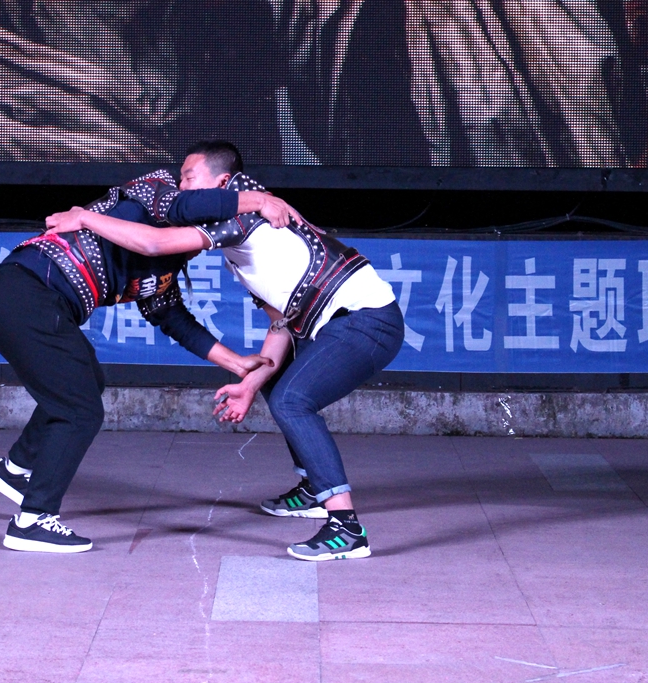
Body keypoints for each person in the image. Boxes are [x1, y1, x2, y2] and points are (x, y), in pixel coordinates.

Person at [44, 141, 405, 561]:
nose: (180, 188)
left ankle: (347, 527)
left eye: (188, 178)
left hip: (367, 321)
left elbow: (155, 244)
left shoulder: (247, 213)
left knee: (292, 400)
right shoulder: (239, 245)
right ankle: (314, 487)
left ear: (222, 183)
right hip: (337, 325)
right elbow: (281, 323)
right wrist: (249, 385)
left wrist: (85, 217)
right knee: (275, 384)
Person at [0, 168, 300, 553]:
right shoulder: (156, 194)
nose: (205, 240)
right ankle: (32, 521)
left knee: (85, 383)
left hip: (24, 300)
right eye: (188, 178)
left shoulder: (162, 267)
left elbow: (172, 318)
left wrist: (235, 363)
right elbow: (186, 206)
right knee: (80, 412)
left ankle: (15, 469)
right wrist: (261, 201)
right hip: (25, 293)